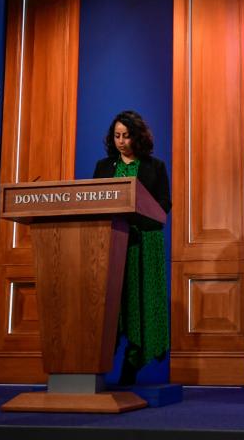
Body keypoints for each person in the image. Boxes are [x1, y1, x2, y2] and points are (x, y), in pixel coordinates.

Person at [93, 110, 171, 385]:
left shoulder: (155, 167)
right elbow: (93, 202)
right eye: (117, 136)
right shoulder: (103, 167)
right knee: (112, 305)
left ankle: (132, 365)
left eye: (126, 136)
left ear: (137, 137)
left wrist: (136, 214)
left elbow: (163, 207)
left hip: (144, 244)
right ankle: (99, 365)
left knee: (141, 301)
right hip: (111, 243)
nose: (121, 141)